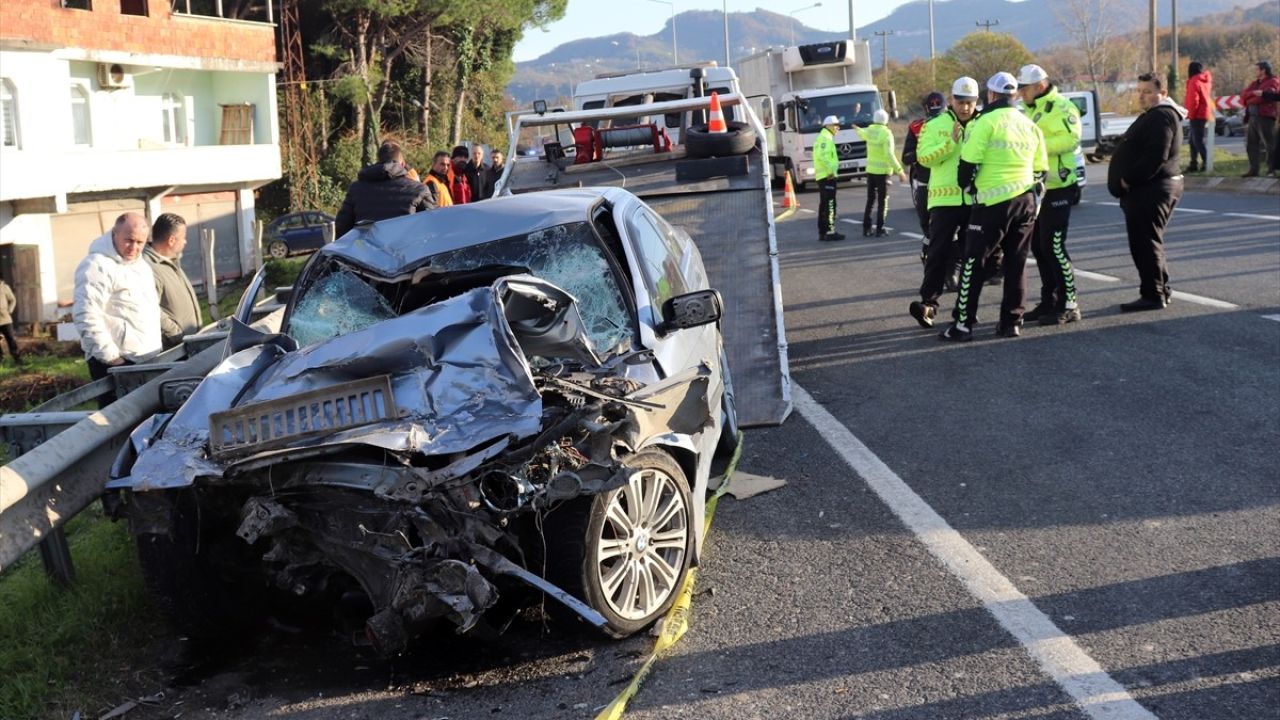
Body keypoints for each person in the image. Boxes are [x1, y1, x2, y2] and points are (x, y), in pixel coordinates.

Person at [939, 72, 1048, 341]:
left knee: (974, 263)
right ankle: (1011, 322)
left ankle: (963, 325)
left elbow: (966, 165)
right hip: (1025, 203)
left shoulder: (984, 122)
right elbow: (1042, 169)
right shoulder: (1029, 123)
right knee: (1017, 264)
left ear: (990, 95)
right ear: (1014, 95)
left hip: (991, 204)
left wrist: (970, 189)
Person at [1108, 72, 1185, 311]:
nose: (1142, 96)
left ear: (1163, 94)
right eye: (1139, 91)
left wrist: (1128, 180)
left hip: (1151, 188)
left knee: (1145, 242)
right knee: (1149, 240)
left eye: (1148, 92)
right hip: (1151, 187)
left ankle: (1153, 294)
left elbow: (1156, 155)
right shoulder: (1157, 115)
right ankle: (1161, 289)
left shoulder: (1161, 116)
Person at [908, 77, 981, 329]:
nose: (965, 108)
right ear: (951, 100)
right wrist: (950, 143)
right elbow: (923, 158)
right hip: (943, 200)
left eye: (970, 103)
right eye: (961, 102)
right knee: (937, 254)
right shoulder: (935, 124)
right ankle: (928, 304)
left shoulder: (982, 124)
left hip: (974, 199)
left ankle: (966, 308)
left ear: (976, 102)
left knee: (973, 256)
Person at [1017, 64, 1084, 326]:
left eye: (1025, 89)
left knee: (1055, 246)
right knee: (1039, 247)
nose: (1021, 93)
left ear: (1040, 86)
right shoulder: (1027, 111)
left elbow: (1071, 140)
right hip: (1037, 189)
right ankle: (1050, 301)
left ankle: (1070, 304)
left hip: (1058, 186)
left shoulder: (1063, 107)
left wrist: (1036, 146)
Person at [73, 212, 162, 405]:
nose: (134, 247)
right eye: (129, 240)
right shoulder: (96, 265)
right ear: (114, 233)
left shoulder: (141, 266)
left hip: (145, 359)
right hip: (118, 363)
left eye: (140, 242)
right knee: (120, 423)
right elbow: (86, 315)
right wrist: (112, 359)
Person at [335, 140, 435, 235]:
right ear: (402, 164)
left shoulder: (356, 188)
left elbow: (342, 226)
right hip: (406, 249)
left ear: (378, 160)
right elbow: (431, 227)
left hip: (366, 249)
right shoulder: (419, 189)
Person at [144, 213, 201, 349]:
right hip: (176, 349)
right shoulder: (148, 267)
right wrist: (176, 334)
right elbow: (150, 309)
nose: (185, 242)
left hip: (189, 344)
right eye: (183, 237)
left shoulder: (171, 261)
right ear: (171, 240)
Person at [855, 109, 908, 237]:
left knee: (870, 200)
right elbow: (889, 154)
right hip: (883, 172)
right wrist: (900, 171)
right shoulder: (886, 133)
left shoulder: (869, 130)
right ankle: (880, 228)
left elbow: (862, 134)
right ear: (886, 120)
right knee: (882, 201)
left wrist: (857, 129)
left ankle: (866, 228)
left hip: (871, 171)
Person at [903, 91, 947, 243]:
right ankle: (928, 251)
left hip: (950, 185)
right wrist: (924, 153)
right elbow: (906, 157)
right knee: (927, 228)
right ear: (926, 109)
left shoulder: (955, 124)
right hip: (926, 184)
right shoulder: (916, 127)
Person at [1240, 61, 1279, 177]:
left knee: (1269, 144)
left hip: (1265, 116)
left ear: (1263, 70)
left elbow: (1264, 98)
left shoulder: (1273, 81)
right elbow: (1243, 96)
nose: (1255, 71)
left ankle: (1271, 169)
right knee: (1251, 144)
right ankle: (1253, 169)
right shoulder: (1255, 83)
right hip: (1252, 116)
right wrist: (1252, 95)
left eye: (1257, 69)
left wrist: (1251, 98)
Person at [814, 115, 845, 242]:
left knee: (824, 204)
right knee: (830, 204)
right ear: (829, 126)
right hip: (827, 176)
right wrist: (831, 171)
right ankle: (830, 231)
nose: (838, 128)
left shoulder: (824, 137)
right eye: (836, 125)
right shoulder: (826, 138)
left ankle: (823, 232)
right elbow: (823, 156)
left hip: (823, 176)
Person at [1183, 61, 1213, 173]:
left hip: (1196, 114)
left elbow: (1193, 100)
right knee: (1193, 140)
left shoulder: (1194, 81)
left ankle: (1206, 162)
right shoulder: (1205, 81)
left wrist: (1189, 113)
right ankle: (1193, 163)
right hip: (1204, 112)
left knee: (1197, 140)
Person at [0, 278, 22, 366]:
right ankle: (1, 360)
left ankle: (17, 358)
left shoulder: (4, 287)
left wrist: (9, 310)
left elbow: (13, 300)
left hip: (5, 318)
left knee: (11, 339)